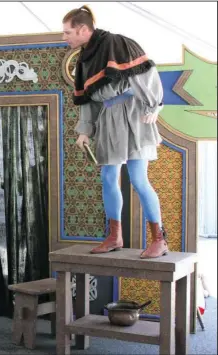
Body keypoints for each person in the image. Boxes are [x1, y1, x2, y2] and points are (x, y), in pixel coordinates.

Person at [62, 5, 168, 258]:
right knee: (108, 177)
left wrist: (154, 105)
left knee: (139, 179)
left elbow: (146, 72)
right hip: (109, 118)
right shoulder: (85, 57)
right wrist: (85, 130)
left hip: (133, 114)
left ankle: (159, 239)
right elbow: (88, 97)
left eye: (67, 32)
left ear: (83, 29)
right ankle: (114, 236)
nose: (64, 37)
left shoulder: (117, 43)